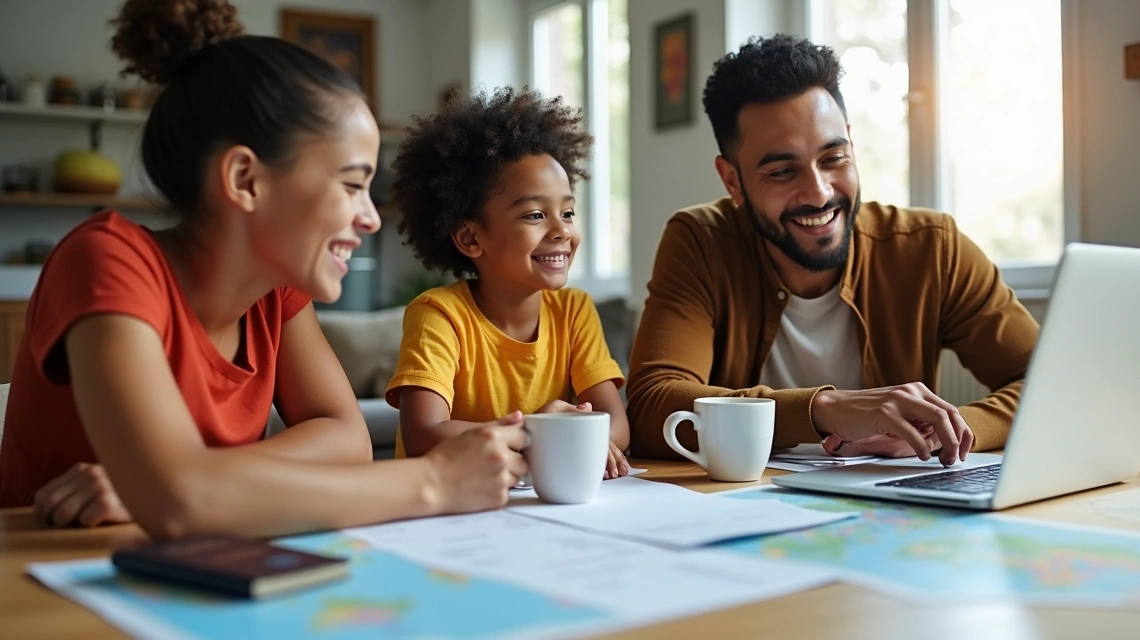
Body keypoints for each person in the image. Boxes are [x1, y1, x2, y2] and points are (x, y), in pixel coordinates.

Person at [0, 0, 527, 538]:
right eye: (351, 184)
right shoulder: (107, 260)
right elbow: (180, 502)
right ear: (246, 179)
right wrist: (435, 481)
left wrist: (183, 481)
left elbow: (346, 440)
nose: (371, 218)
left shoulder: (275, 292)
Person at [626, 35, 1040, 466]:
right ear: (732, 181)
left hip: (889, 508)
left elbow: (1051, 381)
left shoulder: (932, 247)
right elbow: (655, 406)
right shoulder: (700, 242)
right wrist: (825, 410)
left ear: (851, 145)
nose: (819, 193)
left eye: (833, 158)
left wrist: (944, 430)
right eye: (783, 171)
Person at [385, 87, 630, 478]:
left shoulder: (575, 311)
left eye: (567, 212)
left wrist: (565, 437)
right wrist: (539, 430)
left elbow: (616, 425)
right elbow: (424, 434)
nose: (561, 231)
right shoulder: (438, 315)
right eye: (534, 215)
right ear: (470, 238)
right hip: (441, 508)